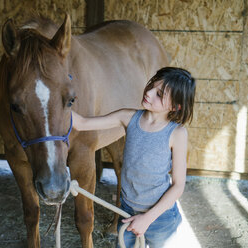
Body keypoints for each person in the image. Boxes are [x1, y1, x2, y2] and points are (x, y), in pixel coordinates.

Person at [72, 67, 196, 247]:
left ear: (175, 106)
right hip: (127, 212)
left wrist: (147, 219)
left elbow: (178, 186)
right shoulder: (128, 117)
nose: (149, 92)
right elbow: (82, 123)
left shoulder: (177, 133)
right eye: (152, 85)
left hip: (160, 217)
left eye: (159, 94)